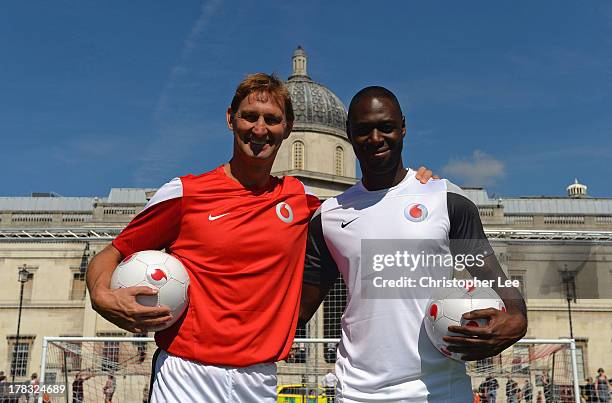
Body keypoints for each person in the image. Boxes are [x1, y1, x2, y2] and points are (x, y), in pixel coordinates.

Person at [85, 71, 441, 402]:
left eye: (271, 120)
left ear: (287, 129)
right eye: (249, 116)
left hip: (260, 378)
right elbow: (112, 253)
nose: (259, 129)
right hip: (186, 372)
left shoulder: (305, 203)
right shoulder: (185, 193)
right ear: (230, 119)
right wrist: (102, 296)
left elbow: (370, 212)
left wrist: (409, 186)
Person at [299, 86, 528, 402]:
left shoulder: (446, 199)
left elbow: (496, 282)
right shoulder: (329, 216)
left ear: (403, 127)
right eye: (364, 130)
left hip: (440, 391)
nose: (376, 138)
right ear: (349, 135)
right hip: (357, 393)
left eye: (386, 127)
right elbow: (299, 309)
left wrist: (517, 316)